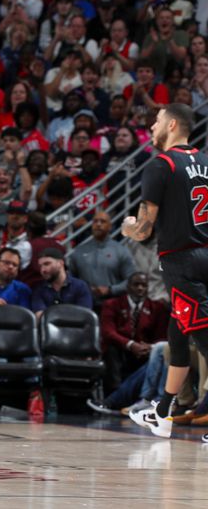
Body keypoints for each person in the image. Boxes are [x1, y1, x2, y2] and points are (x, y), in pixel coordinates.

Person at [121, 103, 208, 439]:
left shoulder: (161, 165)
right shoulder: (204, 161)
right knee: (178, 332)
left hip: (181, 261)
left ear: (172, 125)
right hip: (204, 254)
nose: (151, 127)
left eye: (156, 121)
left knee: (202, 337)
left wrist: (128, 226)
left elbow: (144, 229)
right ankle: (163, 411)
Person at [100, 272, 169, 394]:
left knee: (158, 354)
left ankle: (143, 396)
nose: (140, 288)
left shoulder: (158, 308)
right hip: (120, 348)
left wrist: (149, 347)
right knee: (110, 349)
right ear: (128, 287)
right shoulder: (111, 304)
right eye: (136, 284)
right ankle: (114, 393)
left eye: (144, 285)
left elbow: (161, 337)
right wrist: (131, 345)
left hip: (144, 351)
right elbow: (107, 331)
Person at [68, 210, 135, 306]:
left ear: (110, 227)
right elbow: (70, 279)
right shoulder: (79, 251)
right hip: (85, 304)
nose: (98, 224)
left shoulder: (121, 251)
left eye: (103, 221)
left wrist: (110, 290)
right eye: (95, 221)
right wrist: (83, 289)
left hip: (113, 305)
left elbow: (131, 281)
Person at [30, 247, 93, 318]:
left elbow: (84, 316)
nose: (42, 270)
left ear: (60, 263)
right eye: (40, 266)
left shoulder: (80, 286)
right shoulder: (39, 289)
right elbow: (40, 317)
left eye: (47, 264)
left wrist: (52, 316)